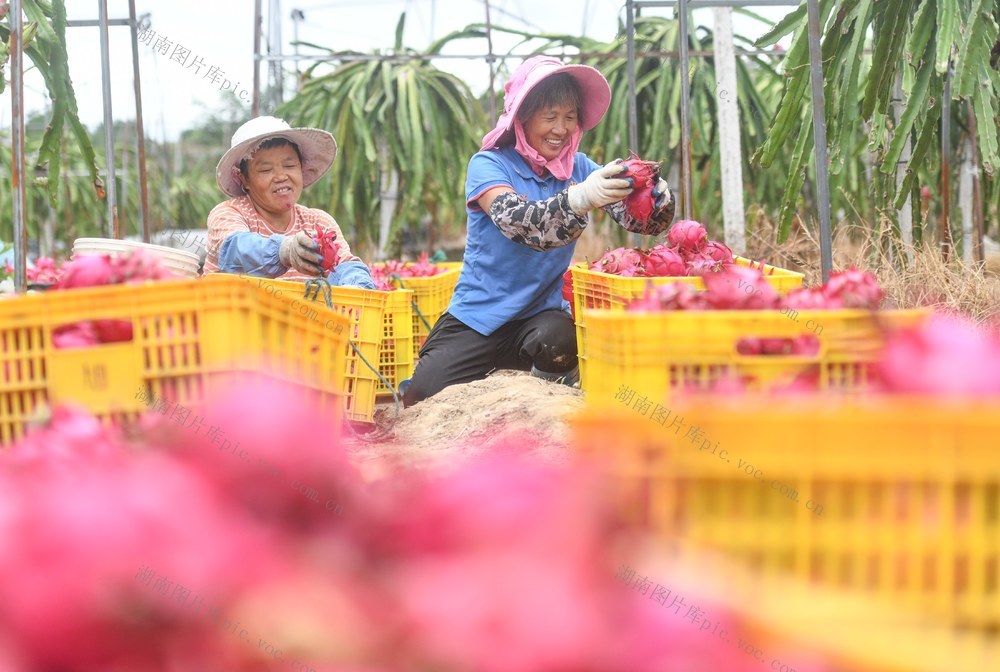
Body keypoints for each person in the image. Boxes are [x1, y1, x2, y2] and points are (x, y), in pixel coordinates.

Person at [402, 56, 675, 407]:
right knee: (421, 395)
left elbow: (638, 223)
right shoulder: (488, 164)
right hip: (479, 315)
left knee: (560, 342)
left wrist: (655, 199)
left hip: (541, 316)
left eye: (570, 117)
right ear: (522, 117)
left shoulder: (579, 167)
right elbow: (519, 223)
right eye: (549, 117)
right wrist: (579, 197)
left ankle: (542, 396)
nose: (560, 129)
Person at [203, 115, 375, 288]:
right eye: (266, 169)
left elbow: (344, 264)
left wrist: (356, 283)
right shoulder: (228, 213)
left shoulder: (318, 222)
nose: (281, 177)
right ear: (244, 179)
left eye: (289, 166)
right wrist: (283, 250)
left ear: (301, 168)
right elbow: (236, 249)